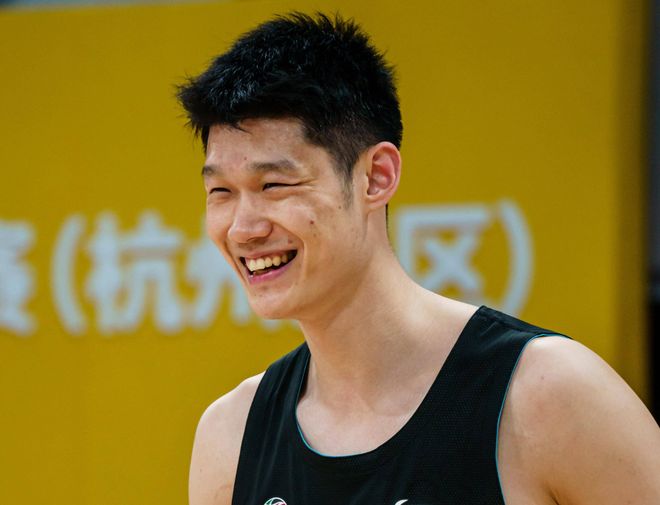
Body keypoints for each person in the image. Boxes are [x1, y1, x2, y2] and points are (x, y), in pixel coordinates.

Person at [177, 12, 660, 505]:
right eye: (221, 192)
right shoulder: (232, 435)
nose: (243, 228)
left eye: (274, 185)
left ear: (376, 177)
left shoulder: (547, 394)